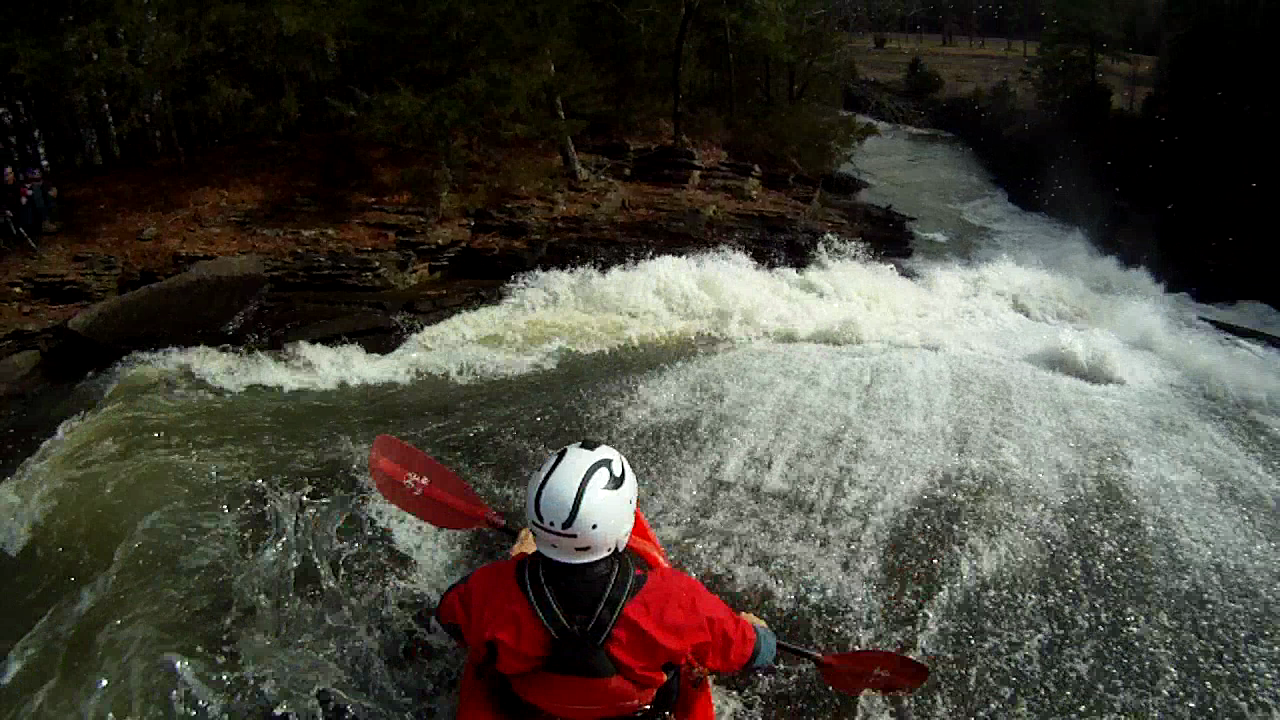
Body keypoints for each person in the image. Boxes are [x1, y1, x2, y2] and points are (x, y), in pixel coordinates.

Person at [435, 441, 776, 719]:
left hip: (532, 707)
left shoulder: (488, 589)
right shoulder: (675, 600)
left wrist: (519, 560)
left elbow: (450, 620)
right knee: (689, 665)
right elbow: (756, 653)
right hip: (634, 711)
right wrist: (756, 631)